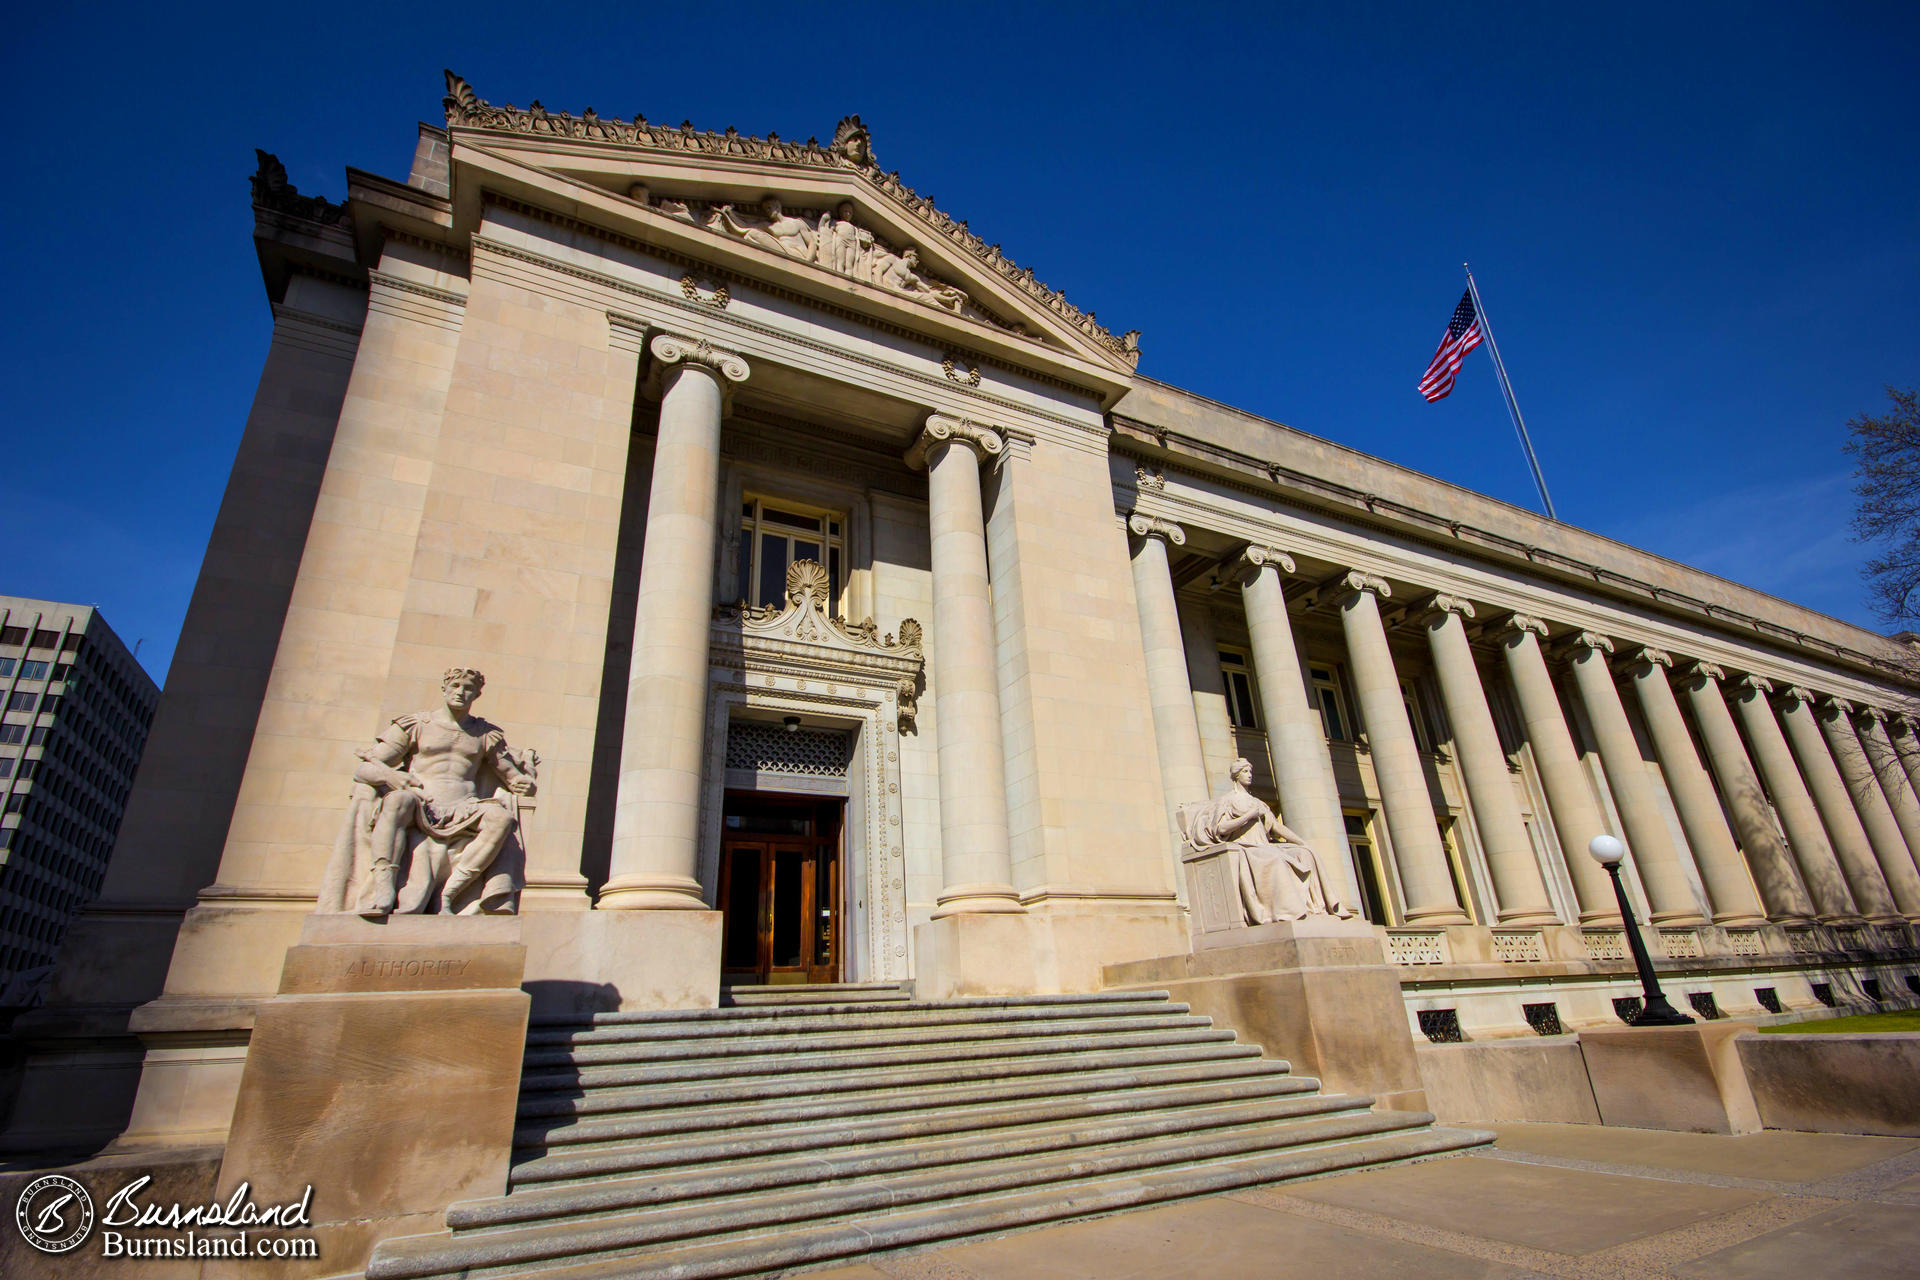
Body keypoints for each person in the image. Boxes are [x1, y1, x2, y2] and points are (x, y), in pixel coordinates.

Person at [322, 667, 535, 916]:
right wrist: (391, 776)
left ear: (476, 695)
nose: (461, 693)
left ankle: (449, 893)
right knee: (397, 801)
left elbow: (510, 775)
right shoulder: (415, 725)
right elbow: (364, 769)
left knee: (501, 819)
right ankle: (384, 887)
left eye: (468, 689)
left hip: (465, 804)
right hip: (421, 800)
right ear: (444, 688)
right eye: (455, 686)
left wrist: (523, 781)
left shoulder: (485, 734)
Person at [1179, 759, 1353, 923]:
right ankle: (1289, 912)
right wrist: (1249, 816)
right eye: (1245, 771)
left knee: (1305, 854)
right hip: (1246, 847)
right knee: (1275, 859)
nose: (1249, 775)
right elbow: (1221, 828)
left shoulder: (1257, 802)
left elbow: (1277, 828)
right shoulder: (1228, 801)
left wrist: (1302, 843)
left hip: (1265, 846)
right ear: (1236, 775)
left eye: (1250, 771)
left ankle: (1316, 908)